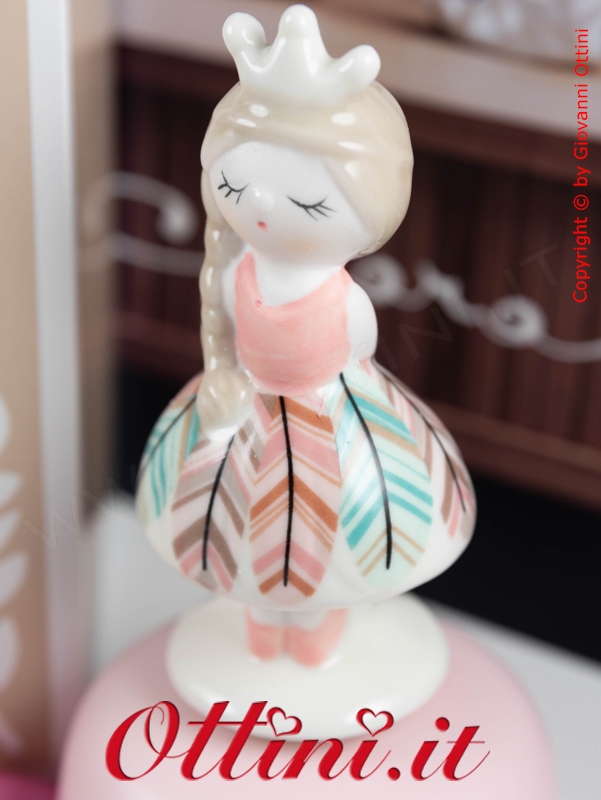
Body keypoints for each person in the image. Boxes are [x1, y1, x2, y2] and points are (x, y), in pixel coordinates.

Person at [137, 5, 475, 667]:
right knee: (236, 521)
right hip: (241, 405)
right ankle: (265, 618)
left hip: (336, 421)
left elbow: (358, 346)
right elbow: (237, 323)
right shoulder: (235, 272)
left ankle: (317, 622)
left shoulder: (341, 297)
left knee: (328, 527)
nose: (261, 207)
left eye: (309, 204)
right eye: (235, 186)